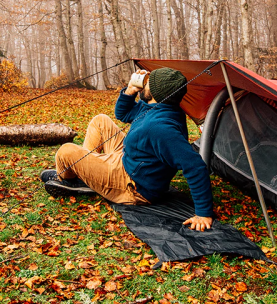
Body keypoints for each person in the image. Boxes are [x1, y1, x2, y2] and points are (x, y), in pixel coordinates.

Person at [41, 67, 214, 232]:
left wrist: (203, 214)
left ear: (156, 93)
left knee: (66, 151)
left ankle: (72, 178)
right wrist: (130, 90)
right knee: (100, 121)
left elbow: (195, 166)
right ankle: (86, 174)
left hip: (132, 185)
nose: (144, 84)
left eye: (148, 83)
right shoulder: (156, 107)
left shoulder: (160, 128)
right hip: (129, 159)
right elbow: (123, 114)